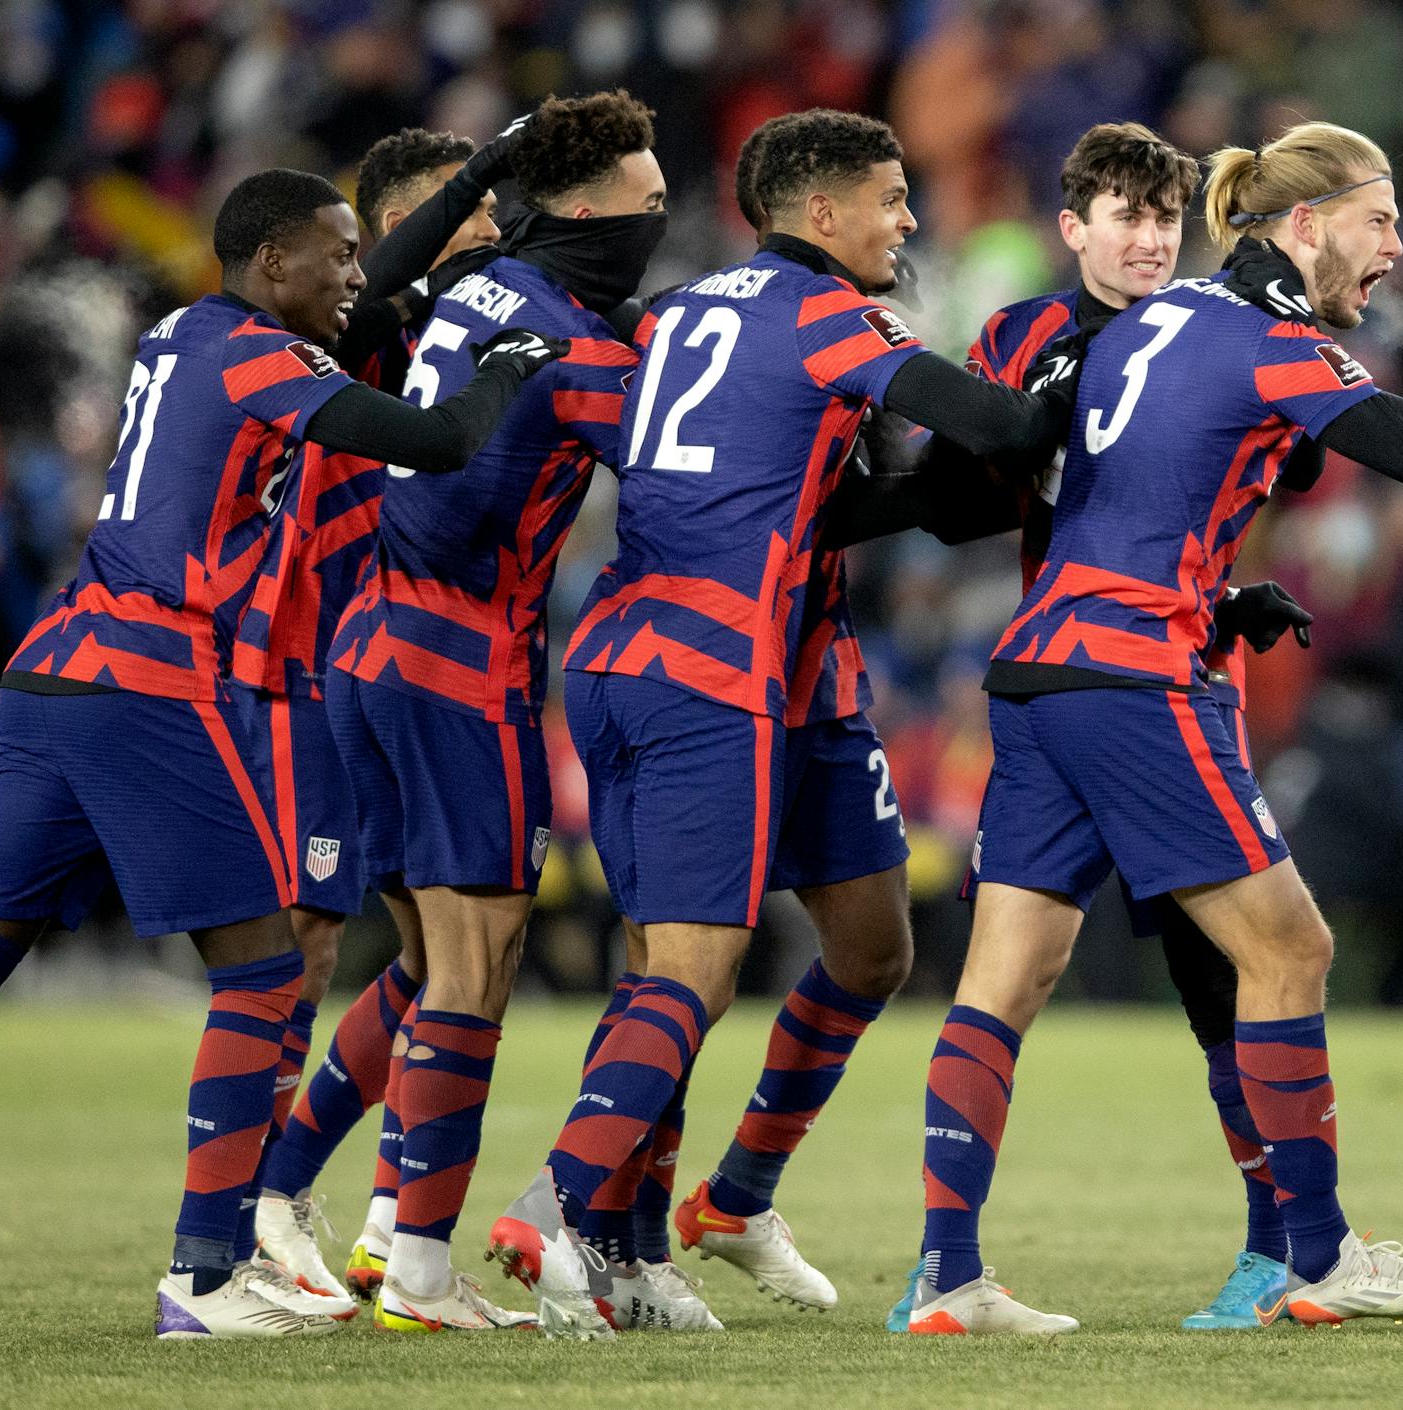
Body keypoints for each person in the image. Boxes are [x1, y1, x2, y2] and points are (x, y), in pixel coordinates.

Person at [901, 118, 1403, 1334]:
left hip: (1036, 670)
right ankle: (1321, 1255)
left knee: (1001, 984)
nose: (1397, 243)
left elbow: (1109, 494)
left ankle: (947, 1276)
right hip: (1140, 679)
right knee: (1288, 952)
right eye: (1379, 219)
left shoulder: (1144, 322)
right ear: (1304, 225)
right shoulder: (1266, 343)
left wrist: (1221, 589)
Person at [0, 167, 567, 1340]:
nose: (356, 275)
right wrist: (506, 363)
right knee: (262, 970)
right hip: (149, 678)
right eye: (335, 255)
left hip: (50, 671)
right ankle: (203, 1274)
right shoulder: (261, 359)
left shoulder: (184, 333)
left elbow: (376, 300)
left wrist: (481, 177)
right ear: (273, 264)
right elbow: (438, 440)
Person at [484, 107, 1077, 1340]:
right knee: (689, 971)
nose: (909, 221)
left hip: (717, 658)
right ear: (821, 213)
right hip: (717, 664)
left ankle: (710, 1213)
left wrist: (945, 492)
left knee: (866, 948)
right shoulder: (832, 318)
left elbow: (810, 501)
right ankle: (569, 1214)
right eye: (891, 198)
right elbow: (1003, 428)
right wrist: (1073, 380)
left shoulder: (676, 314)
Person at [825, 123, 1316, 1334]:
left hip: (1158, 664)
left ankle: (1268, 1256)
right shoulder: (1023, 337)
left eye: (1166, 218)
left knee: (1211, 979)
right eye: (1125, 215)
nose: (1149, 239)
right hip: (1102, 681)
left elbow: (1287, 470)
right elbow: (956, 501)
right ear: (1074, 228)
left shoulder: (1217, 327)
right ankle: (1282, 1255)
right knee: (1053, 972)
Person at [310, 89, 665, 1335]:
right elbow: (685, 465)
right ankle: (414, 1267)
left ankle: (310, 1206)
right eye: (646, 193)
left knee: (420, 962)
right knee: (476, 965)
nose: (661, 211)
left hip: (366, 642)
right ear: (581, 207)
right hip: (464, 665)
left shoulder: (468, 293)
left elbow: (372, 296)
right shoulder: (577, 345)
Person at [237, 125, 514, 1306]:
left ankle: (378, 1208)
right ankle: (259, 1201)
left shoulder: (444, 335)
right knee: (316, 942)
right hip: (311, 659)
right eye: (477, 223)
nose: (498, 244)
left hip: (390, 666)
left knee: (421, 954)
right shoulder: (365, 331)